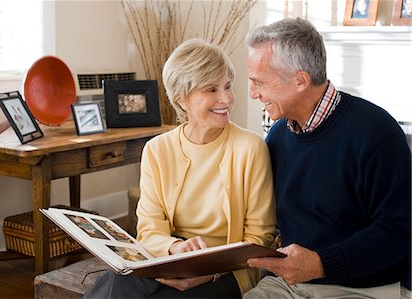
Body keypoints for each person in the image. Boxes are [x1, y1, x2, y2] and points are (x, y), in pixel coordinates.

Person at [83, 38, 277, 298]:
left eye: (227, 86)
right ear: (181, 99)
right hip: (168, 258)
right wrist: (174, 248)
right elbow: (150, 229)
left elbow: (259, 237)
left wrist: (209, 271)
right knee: (117, 282)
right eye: (211, 89)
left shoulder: (250, 147)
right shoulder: (157, 149)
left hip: (229, 269)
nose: (226, 98)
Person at [244, 18, 411, 298]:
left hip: (368, 288)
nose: (252, 93)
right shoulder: (277, 137)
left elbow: (401, 232)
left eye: (259, 82)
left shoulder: (376, 133)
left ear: (299, 81)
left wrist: (321, 264)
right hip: (290, 284)